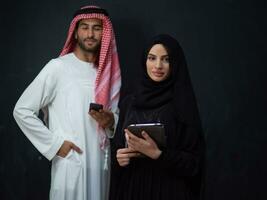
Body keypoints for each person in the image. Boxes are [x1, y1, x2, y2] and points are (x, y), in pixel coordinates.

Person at [13, 5, 121, 200]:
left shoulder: (108, 74)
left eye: (97, 28)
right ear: (76, 33)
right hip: (71, 165)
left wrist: (110, 122)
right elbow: (21, 110)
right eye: (84, 27)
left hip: (99, 167)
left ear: (105, 33)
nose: (90, 33)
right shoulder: (58, 68)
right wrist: (55, 145)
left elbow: (115, 116)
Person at [109, 34, 205, 200]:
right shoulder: (129, 103)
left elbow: (194, 164)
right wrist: (120, 157)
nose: (158, 65)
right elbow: (117, 147)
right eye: (152, 58)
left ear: (175, 64)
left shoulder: (182, 104)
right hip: (134, 188)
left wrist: (158, 154)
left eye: (166, 60)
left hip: (170, 190)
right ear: (144, 61)